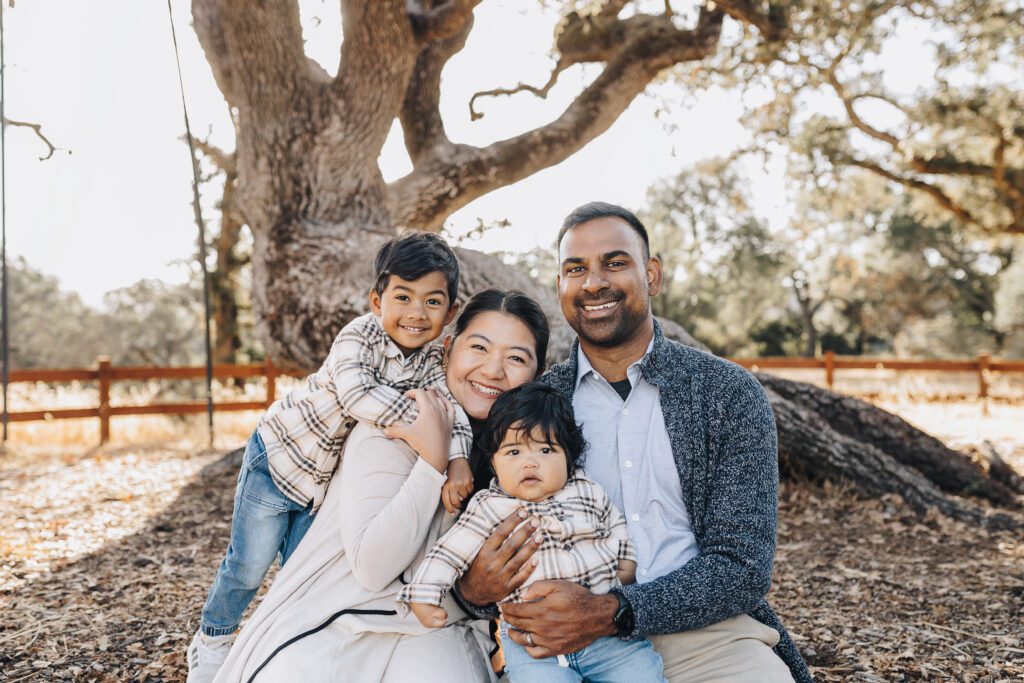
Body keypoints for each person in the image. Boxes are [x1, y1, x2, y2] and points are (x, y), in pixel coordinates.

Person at [454, 202, 813, 683]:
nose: (594, 282)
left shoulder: (726, 393)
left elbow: (741, 566)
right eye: (575, 269)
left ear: (653, 274)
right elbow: (473, 538)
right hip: (554, 645)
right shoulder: (531, 404)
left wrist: (612, 611)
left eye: (615, 263)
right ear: (560, 286)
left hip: (706, 637)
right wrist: (474, 590)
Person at [211, 289, 551, 683]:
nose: (493, 370)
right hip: (332, 621)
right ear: (447, 351)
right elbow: (374, 568)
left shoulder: (526, 460)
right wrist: (432, 463)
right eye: (479, 347)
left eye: (516, 358)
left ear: (537, 374)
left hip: (437, 626)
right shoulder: (391, 423)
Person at [187, 232, 476, 682]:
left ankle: (275, 644)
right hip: (281, 461)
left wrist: (456, 458)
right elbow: (357, 394)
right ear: (377, 301)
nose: (417, 313)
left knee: (300, 574)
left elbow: (448, 411)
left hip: (323, 480)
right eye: (403, 297)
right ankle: (213, 639)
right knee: (248, 565)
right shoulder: (359, 334)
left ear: (451, 312)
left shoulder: (434, 362)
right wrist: (422, 431)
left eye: (432, 302)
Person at [398, 382, 666, 682]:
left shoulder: (586, 489)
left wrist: (626, 562)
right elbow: (449, 552)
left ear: (569, 456)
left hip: (606, 636)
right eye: (513, 451)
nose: (530, 461)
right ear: (494, 463)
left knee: (643, 675)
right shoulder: (490, 507)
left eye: (546, 449)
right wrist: (424, 596)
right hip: (531, 643)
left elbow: (615, 524)